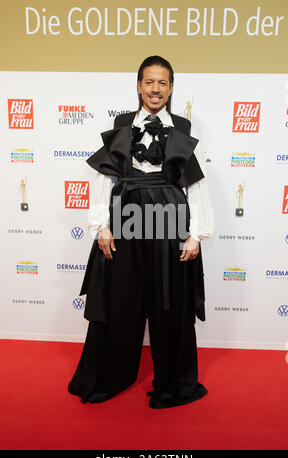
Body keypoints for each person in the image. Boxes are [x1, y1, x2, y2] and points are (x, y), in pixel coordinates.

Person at [68, 55, 214, 409]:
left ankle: (173, 383)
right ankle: (111, 375)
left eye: (163, 83)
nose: (155, 89)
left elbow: (194, 183)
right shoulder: (121, 123)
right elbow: (105, 174)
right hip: (126, 217)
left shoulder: (181, 126)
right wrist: (100, 225)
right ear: (138, 85)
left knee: (170, 302)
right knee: (120, 298)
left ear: (171, 88)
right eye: (149, 82)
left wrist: (197, 233)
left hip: (169, 219)